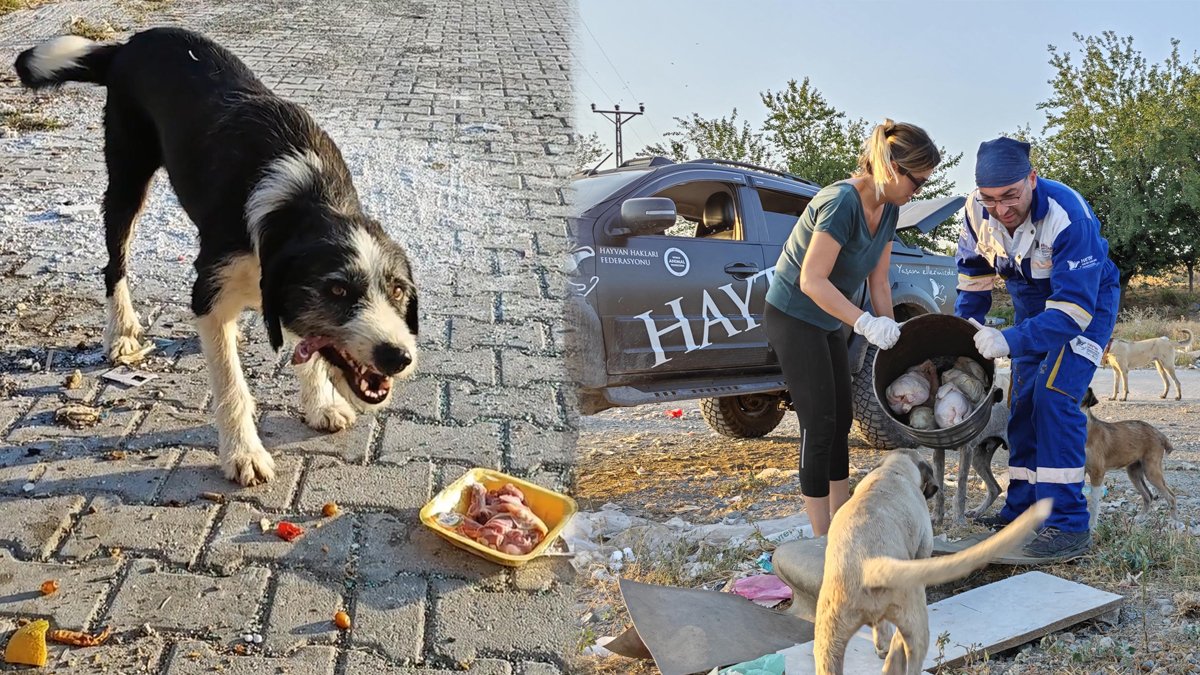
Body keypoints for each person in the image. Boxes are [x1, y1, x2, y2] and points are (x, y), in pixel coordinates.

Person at [764, 120, 941, 536]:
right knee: (818, 423)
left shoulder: (891, 208)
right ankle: (822, 540)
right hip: (794, 314)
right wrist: (862, 322)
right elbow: (811, 280)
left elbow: (879, 280)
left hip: (828, 317)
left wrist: (893, 338)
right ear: (893, 168)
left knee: (841, 418)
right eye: (917, 182)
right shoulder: (841, 202)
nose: (919, 191)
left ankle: (843, 524)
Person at [956, 137, 1121, 559]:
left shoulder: (1069, 216)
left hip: (1085, 305)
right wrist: (965, 333)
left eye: (1011, 195)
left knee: (1053, 397)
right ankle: (1023, 509)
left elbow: (1072, 311)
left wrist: (1009, 338)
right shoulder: (976, 212)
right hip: (1032, 305)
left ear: (1032, 178)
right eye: (990, 199)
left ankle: (1067, 525)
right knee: (1023, 403)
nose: (1002, 209)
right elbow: (973, 279)